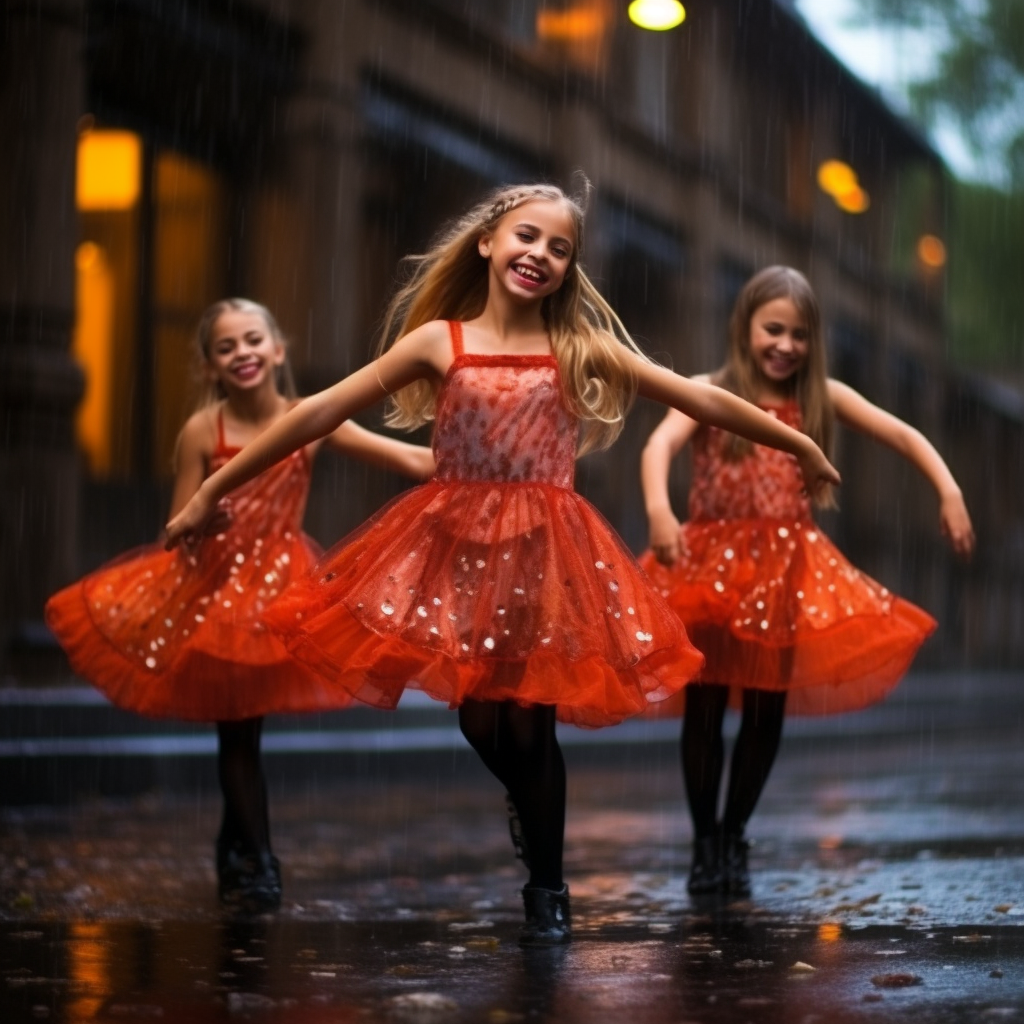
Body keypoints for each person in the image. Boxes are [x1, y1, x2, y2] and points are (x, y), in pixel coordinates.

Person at [165, 185, 840, 944]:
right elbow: (317, 410)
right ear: (487, 242)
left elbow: (699, 400)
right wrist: (213, 489)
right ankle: (528, 801)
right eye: (527, 236)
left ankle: (548, 891)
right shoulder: (439, 343)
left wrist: (802, 444)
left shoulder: (580, 347)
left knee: (531, 728)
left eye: (560, 248)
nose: (541, 256)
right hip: (457, 551)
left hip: (548, 556)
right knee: (481, 723)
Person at [46, 298, 434, 912]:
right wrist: (203, 521)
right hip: (218, 592)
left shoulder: (308, 419)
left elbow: (412, 458)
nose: (242, 354)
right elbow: (178, 527)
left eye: (253, 340)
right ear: (209, 368)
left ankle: (235, 844)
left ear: (278, 350)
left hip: (281, 592)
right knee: (238, 733)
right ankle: (258, 857)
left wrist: (487, 466)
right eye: (226, 347)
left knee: (244, 731)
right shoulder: (205, 431)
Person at [639, 266, 975, 899]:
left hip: (787, 573)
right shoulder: (712, 389)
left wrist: (948, 488)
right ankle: (705, 840)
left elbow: (902, 433)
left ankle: (735, 834)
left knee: (767, 708)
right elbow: (659, 446)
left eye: (799, 334)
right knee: (705, 710)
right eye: (773, 329)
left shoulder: (823, 398)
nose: (785, 345)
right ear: (745, 328)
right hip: (710, 566)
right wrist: (661, 508)